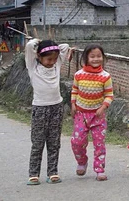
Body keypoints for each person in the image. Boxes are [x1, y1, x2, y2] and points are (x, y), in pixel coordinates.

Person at [24, 38, 72, 186]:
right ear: (39, 56)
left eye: (54, 59)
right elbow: (29, 46)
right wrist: (37, 42)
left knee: (54, 142)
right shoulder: (32, 67)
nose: (52, 62)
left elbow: (65, 46)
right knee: (38, 143)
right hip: (40, 108)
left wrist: (52, 47)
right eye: (48, 59)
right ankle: (33, 174)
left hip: (56, 107)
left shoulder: (57, 65)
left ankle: (52, 172)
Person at [70, 44, 113, 181]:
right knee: (77, 142)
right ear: (86, 58)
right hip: (81, 115)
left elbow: (109, 95)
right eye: (92, 56)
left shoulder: (105, 76)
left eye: (99, 56)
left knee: (99, 144)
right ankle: (82, 161)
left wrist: (103, 107)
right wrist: (73, 104)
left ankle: (100, 169)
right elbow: (74, 90)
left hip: (98, 116)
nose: (96, 59)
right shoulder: (78, 75)